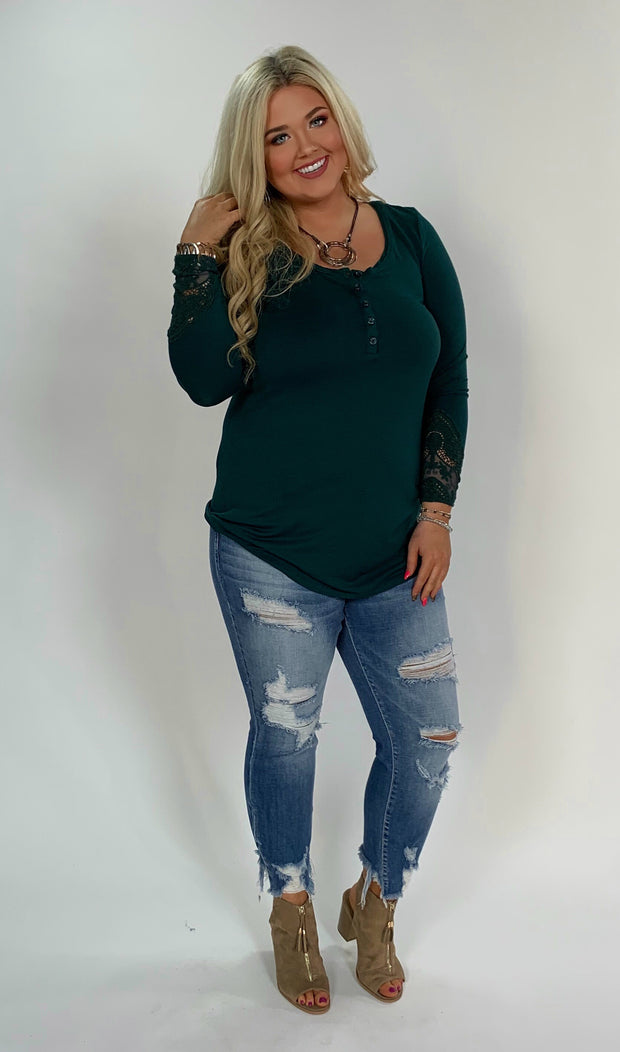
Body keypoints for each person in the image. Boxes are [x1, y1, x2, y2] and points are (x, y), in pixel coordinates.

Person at [167, 44, 468, 1015]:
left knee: (427, 739)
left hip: (395, 554)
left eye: (315, 120)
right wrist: (195, 256)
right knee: (288, 734)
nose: (304, 146)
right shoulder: (248, 249)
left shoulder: (412, 237)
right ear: (251, 157)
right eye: (275, 137)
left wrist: (435, 511)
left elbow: (448, 379)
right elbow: (203, 379)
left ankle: (374, 900)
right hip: (271, 552)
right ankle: (290, 905)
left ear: (340, 121)